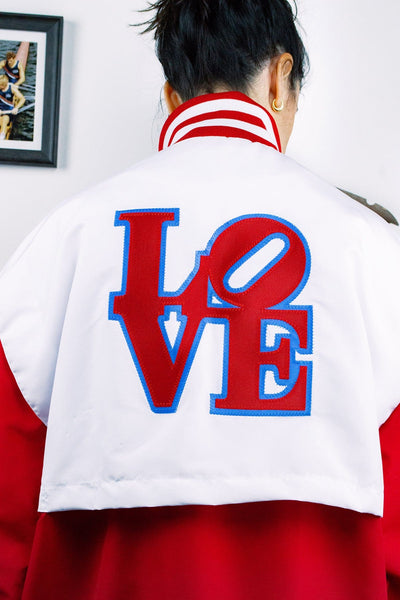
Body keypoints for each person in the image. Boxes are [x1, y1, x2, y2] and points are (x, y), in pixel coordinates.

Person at [0, 1, 400, 598]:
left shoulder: (62, 237)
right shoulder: (373, 247)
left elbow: (8, 503)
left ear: (170, 96)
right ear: (279, 80)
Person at [0, 73, 25, 140]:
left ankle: (2, 136)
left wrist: (16, 108)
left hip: (9, 111)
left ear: (3, 85)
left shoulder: (12, 88)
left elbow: (22, 99)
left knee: (4, 120)